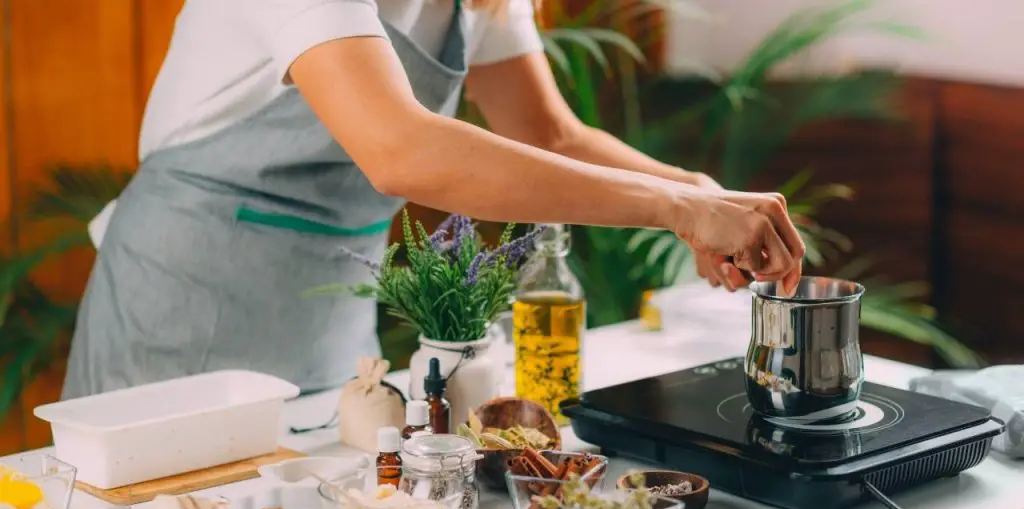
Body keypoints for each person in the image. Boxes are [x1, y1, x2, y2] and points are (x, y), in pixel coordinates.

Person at [63, 0, 804, 400]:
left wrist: (698, 192)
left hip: (328, 307)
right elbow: (398, 149)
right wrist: (673, 210)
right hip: (185, 305)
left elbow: (551, 133)